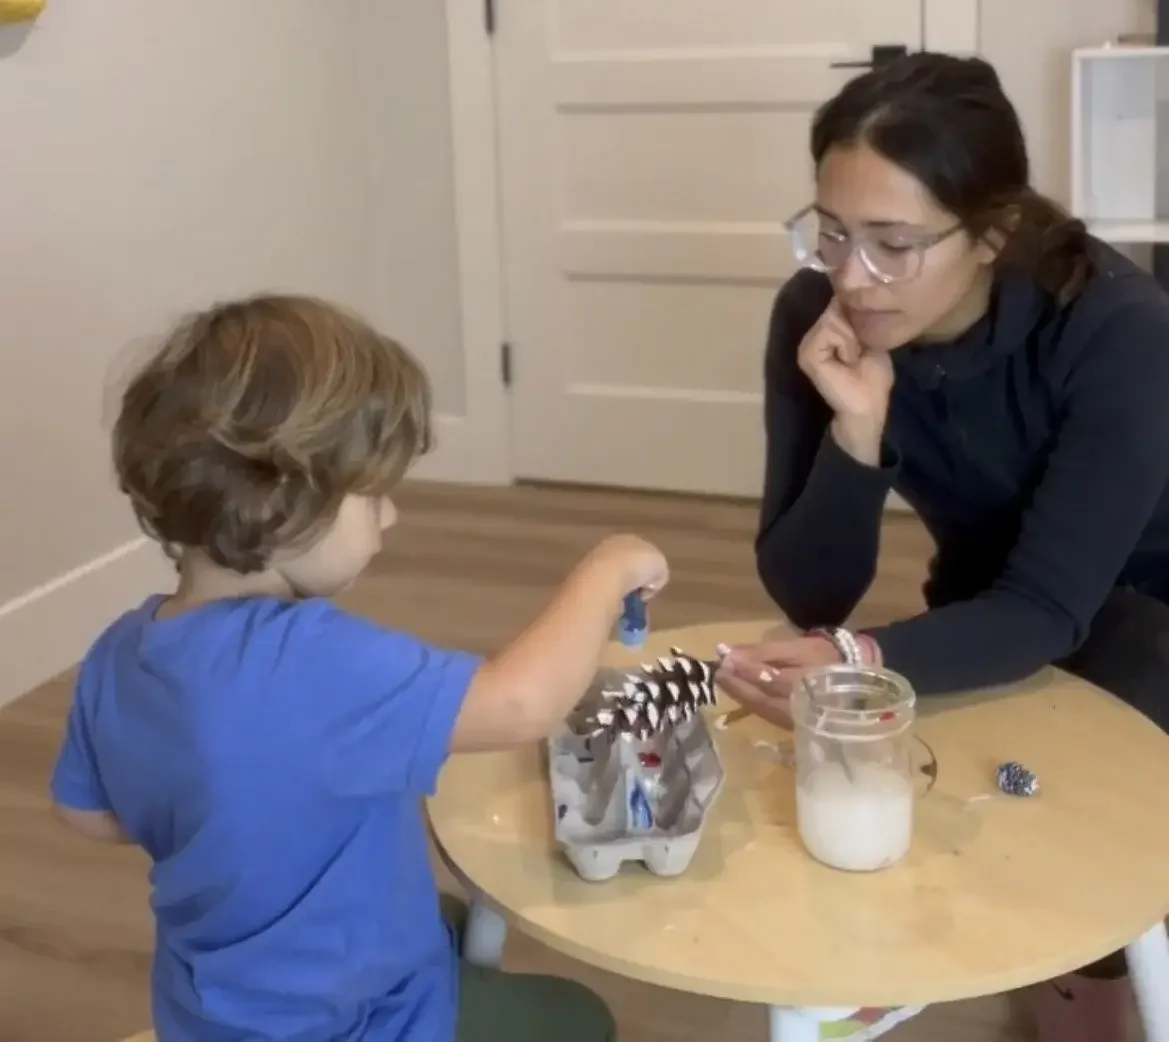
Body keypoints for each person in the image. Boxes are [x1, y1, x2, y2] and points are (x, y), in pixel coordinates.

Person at [49, 294, 667, 1042]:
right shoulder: (312, 663)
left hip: (206, 1017)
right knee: (579, 1020)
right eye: (372, 496)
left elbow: (85, 815)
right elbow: (521, 704)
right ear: (281, 505)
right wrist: (606, 570)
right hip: (364, 1024)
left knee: (444, 916)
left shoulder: (119, 652)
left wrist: (235, 820)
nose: (391, 516)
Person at [714, 53, 1169, 1042]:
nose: (849, 276)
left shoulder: (1115, 330)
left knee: (1070, 786)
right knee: (903, 754)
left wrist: (854, 663)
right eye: (830, 233)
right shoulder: (817, 319)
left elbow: (1051, 609)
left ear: (989, 233)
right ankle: (1001, 962)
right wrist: (855, 433)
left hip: (1150, 607)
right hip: (994, 593)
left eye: (891, 243)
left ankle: (1085, 970)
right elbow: (810, 590)